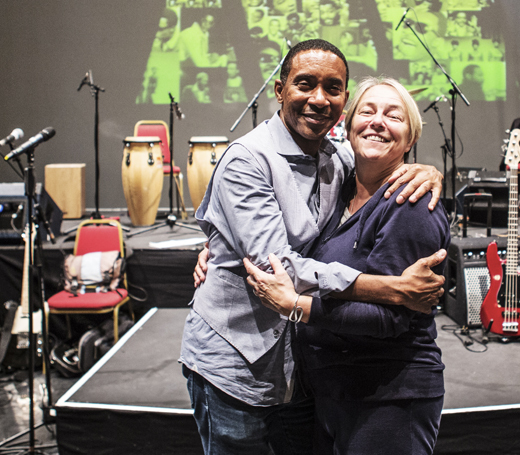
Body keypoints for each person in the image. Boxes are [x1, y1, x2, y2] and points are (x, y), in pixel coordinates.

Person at [181, 39, 446, 455]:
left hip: (306, 374)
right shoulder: (247, 160)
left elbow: (377, 155)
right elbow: (278, 266)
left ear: (342, 102)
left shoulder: (338, 160)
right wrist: (387, 287)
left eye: (333, 88)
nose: (318, 99)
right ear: (280, 89)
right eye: (305, 84)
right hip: (234, 366)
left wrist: (427, 170)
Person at [245, 76, 450, 454]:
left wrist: (295, 306)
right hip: (333, 391)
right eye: (367, 111)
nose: (377, 122)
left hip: (387, 395)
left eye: (394, 116)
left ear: (411, 137)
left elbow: (389, 317)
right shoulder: (337, 190)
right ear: (348, 125)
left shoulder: (411, 204)